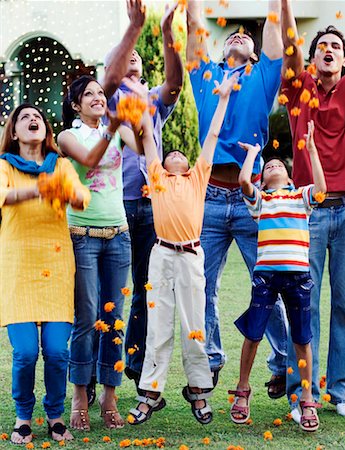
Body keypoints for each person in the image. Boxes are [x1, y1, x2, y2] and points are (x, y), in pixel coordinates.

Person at [186, 0, 288, 396]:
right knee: (203, 286)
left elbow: (275, 27)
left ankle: (281, 363)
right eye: (233, 34)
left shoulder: (263, 76)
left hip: (251, 197)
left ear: (257, 53)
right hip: (209, 197)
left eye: (248, 36)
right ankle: (211, 360)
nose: (240, 35)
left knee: (268, 282)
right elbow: (195, 23)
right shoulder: (205, 74)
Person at [126, 73, 238, 426]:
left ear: (190, 165)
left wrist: (222, 100)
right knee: (158, 326)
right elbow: (146, 135)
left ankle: (199, 392)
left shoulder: (198, 178)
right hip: (161, 255)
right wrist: (142, 98)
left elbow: (214, 136)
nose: (173, 154)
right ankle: (149, 393)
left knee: (194, 325)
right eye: (169, 152)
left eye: (180, 153)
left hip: (191, 256)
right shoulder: (156, 174)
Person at [280, 0, 345, 418]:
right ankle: (304, 394)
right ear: (314, 58)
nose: (330, 49)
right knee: (306, 303)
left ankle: (342, 390)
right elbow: (289, 45)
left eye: (337, 45)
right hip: (309, 211)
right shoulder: (299, 88)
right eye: (323, 46)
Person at [103, 1, 183, 395]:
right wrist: (133, 30)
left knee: (147, 288)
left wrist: (168, 36)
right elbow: (110, 77)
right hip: (115, 207)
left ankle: (135, 365)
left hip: (152, 206)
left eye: (137, 57)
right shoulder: (103, 104)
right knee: (115, 294)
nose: (132, 60)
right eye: (125, 57)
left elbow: (175, 84)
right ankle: (108, 375)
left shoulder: (152, 100)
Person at [0, 104, 90, 444]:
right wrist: (39, 189)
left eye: (38, 117)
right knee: (25, 353)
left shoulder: (62, 165)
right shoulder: (5, 166)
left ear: (46, 131)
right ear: (13, 132)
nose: (33, 120)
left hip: (56, 270)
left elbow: (81, 199)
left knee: (56, 352)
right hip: (18, 267)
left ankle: (54, 415)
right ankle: (24, 416)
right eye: (24, 117)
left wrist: (68, 191)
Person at [229, 120, 326, 432]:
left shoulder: (300, 197)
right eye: (267, 166)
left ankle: (307, 396)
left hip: (298, 276)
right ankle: (243, 390)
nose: (272, 166)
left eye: (276, 163)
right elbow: (244, 181)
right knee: (254, 334)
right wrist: (253, 154)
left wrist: (311, 150)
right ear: (264, 177)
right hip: (266, 276)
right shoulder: (261, 200)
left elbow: (322, 190)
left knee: (302, 338)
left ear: (289, 175)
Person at [58, 75, 143, 430]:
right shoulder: (68, 136)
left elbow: (143, 146)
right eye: (88, 94)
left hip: (118, 236)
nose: (96, 97)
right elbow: (90, 162)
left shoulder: (116, 129)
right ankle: (80, 395)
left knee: (115, 320)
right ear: (76, 105)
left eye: (100, 93)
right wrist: (113, 125)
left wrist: (138, 113)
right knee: (87, 318)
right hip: (82, 236)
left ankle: (110, 396)